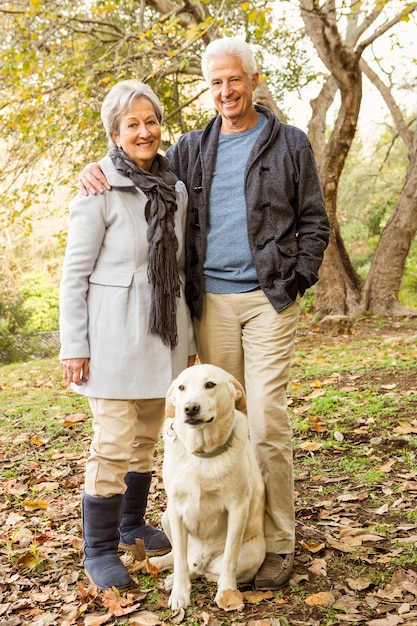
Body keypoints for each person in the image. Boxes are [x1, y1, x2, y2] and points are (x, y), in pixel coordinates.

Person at [78, 37, 330, 591]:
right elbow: (137, 163)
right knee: (212, 420)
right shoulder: (193, 148)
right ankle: (213, 536)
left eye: (234, 79)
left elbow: (316, 220)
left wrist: (295, 279)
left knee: (263, 420)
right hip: (209, 301)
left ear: (254, 80)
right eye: (215, 82)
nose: (225, 91)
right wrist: (95, 169)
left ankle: (277, 542)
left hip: (269, 298)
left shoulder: (289, 143)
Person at [60, 79, 196, 591]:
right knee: (113, 442)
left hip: (163, 336)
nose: (144, 131)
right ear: (115, 134)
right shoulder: (97, 190)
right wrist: (74, 344)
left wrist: (187, 346)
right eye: (132, 124)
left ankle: (131, 524)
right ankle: (97, 549)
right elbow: (74, 274)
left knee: (145, 438)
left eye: (151, 121)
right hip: (112, 338)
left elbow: (179, 270)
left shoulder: (175, 189)